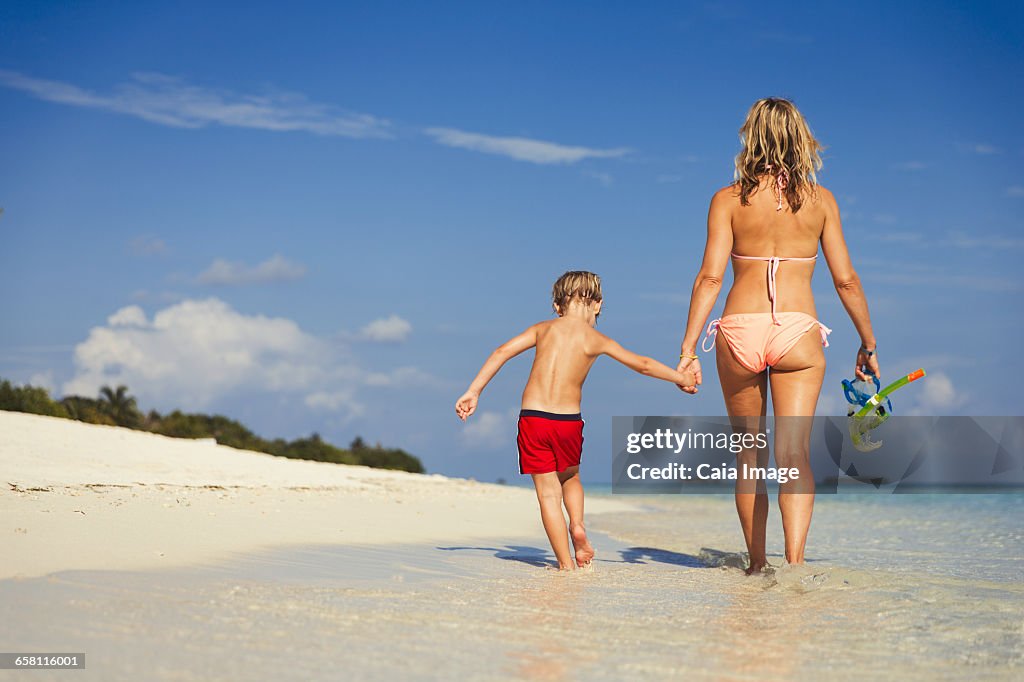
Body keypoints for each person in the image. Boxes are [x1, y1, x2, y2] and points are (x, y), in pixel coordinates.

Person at [676, 98, 881, 574]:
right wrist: (868, 344)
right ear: (800, 138)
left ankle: (755, 566)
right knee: (792, 456)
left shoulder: (727, 200)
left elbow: (709, 278)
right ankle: (793, 567)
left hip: (739, 331)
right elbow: (846, 280)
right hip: (796, 330)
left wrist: (687, 349)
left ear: (751, 136)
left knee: (749, 455)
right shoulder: (821, 201)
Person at [456, 271, 696, 570]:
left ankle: (565, 564)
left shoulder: (543, 329)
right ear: (597, 305)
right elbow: (644, 365)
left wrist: (474, 391)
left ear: (557, 307)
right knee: (570, 477)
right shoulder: (597, 339)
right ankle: (578, 525)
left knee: (547, 494)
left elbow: (501, 351)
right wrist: (681, 377)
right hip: (568, 422)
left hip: (533, 419)